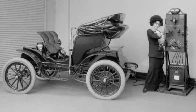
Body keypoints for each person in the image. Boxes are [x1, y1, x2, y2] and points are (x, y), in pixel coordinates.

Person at [143, 15, 165, 93]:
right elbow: (154, 36)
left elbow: (163, 41)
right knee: (151, 70)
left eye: (158, 24)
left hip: (160, 54)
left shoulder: (159, 32)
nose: (157, 25)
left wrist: (162, 36)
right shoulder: (149, 31)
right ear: (152, 23)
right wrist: (161, 35)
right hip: (153, 54)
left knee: (158, 71)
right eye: (156, 23)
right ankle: (146, 87)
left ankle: (156, 87)